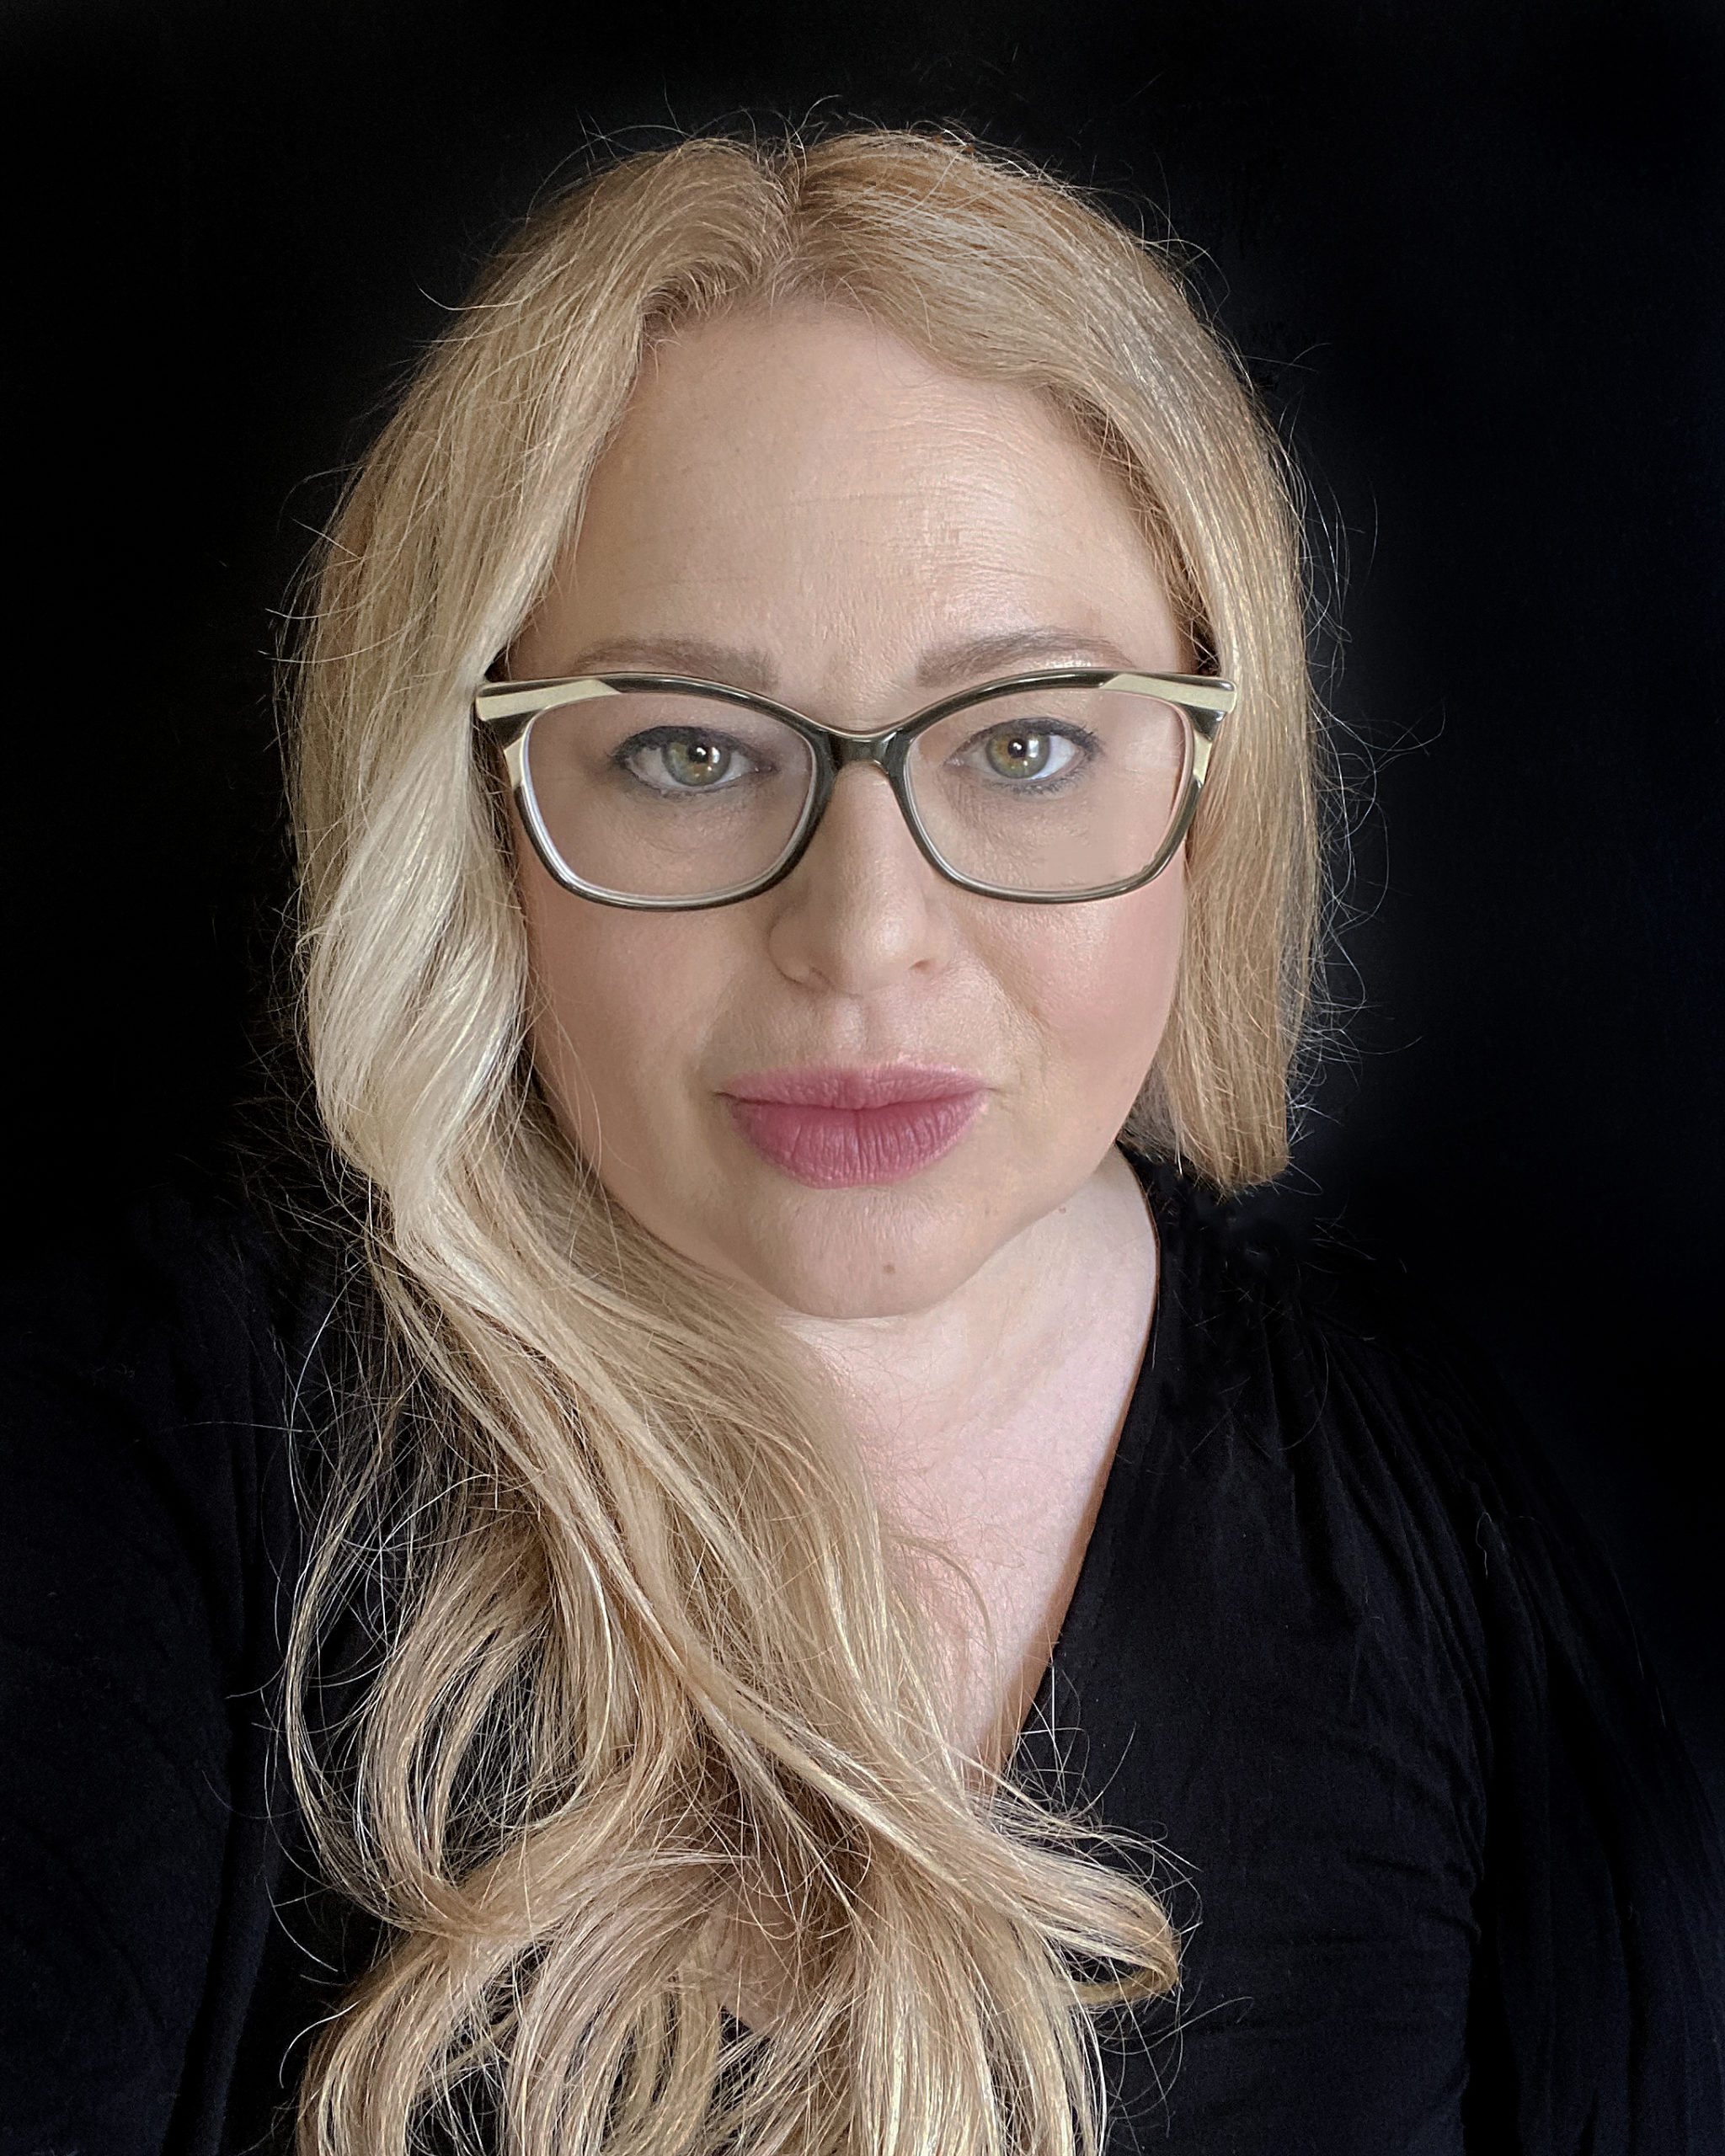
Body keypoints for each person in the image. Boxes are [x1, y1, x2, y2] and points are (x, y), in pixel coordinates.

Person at [2, 129, 1720, 2156]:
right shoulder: (146, 1465)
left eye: (1021, 744)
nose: (865, 936)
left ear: (1205, 779)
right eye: (689, 752)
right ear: (475, 816)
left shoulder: (1462, 1516)